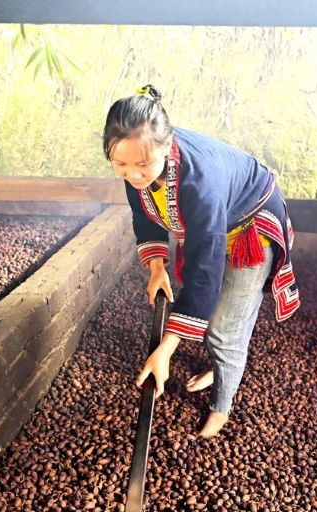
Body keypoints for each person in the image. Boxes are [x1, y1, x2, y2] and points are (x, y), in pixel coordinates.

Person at [104, 84, 300, 437]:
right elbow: (145, 214)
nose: (133, 175)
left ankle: (221, 407)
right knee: (213, 318)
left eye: (143, 165)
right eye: (121, 165)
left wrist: (166, 349)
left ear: (166, 146)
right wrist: (156, 267)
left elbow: (203, 271)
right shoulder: (139, 162)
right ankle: (223, 362)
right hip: (215, 224)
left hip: (249, 228)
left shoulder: (199, 182)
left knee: (225, 329)